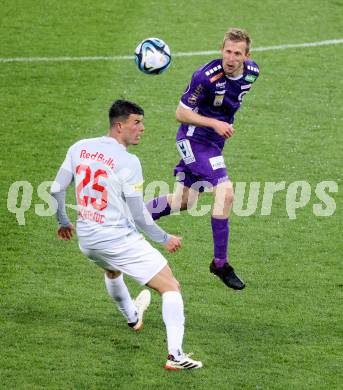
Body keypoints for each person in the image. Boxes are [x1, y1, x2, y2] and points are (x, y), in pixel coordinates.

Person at [50, 99, 202, 370]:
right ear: (119, 126)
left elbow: (55, 189)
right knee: (170, 286)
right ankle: (176, 356)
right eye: (136, 123)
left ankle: (132, 316)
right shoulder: (128, 161)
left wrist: (63, 221)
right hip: (117, 238)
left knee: (112, 270)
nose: (142, 128)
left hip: (87, 239)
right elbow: (140, 215)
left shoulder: (79, 147)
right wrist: (165, 238)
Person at [146, 27, 260, 291]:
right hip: (193, 139)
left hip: (213, 144)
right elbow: (180, 113)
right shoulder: (205, 77)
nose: (231, 58)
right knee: (226, 192)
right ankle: (220, 263)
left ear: (247, 56)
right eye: (228, 51)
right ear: (222, 49)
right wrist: (215, 123)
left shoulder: (252, 73)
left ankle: (134, 215)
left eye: (237, 53)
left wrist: (220, 126)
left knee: (184, 200)